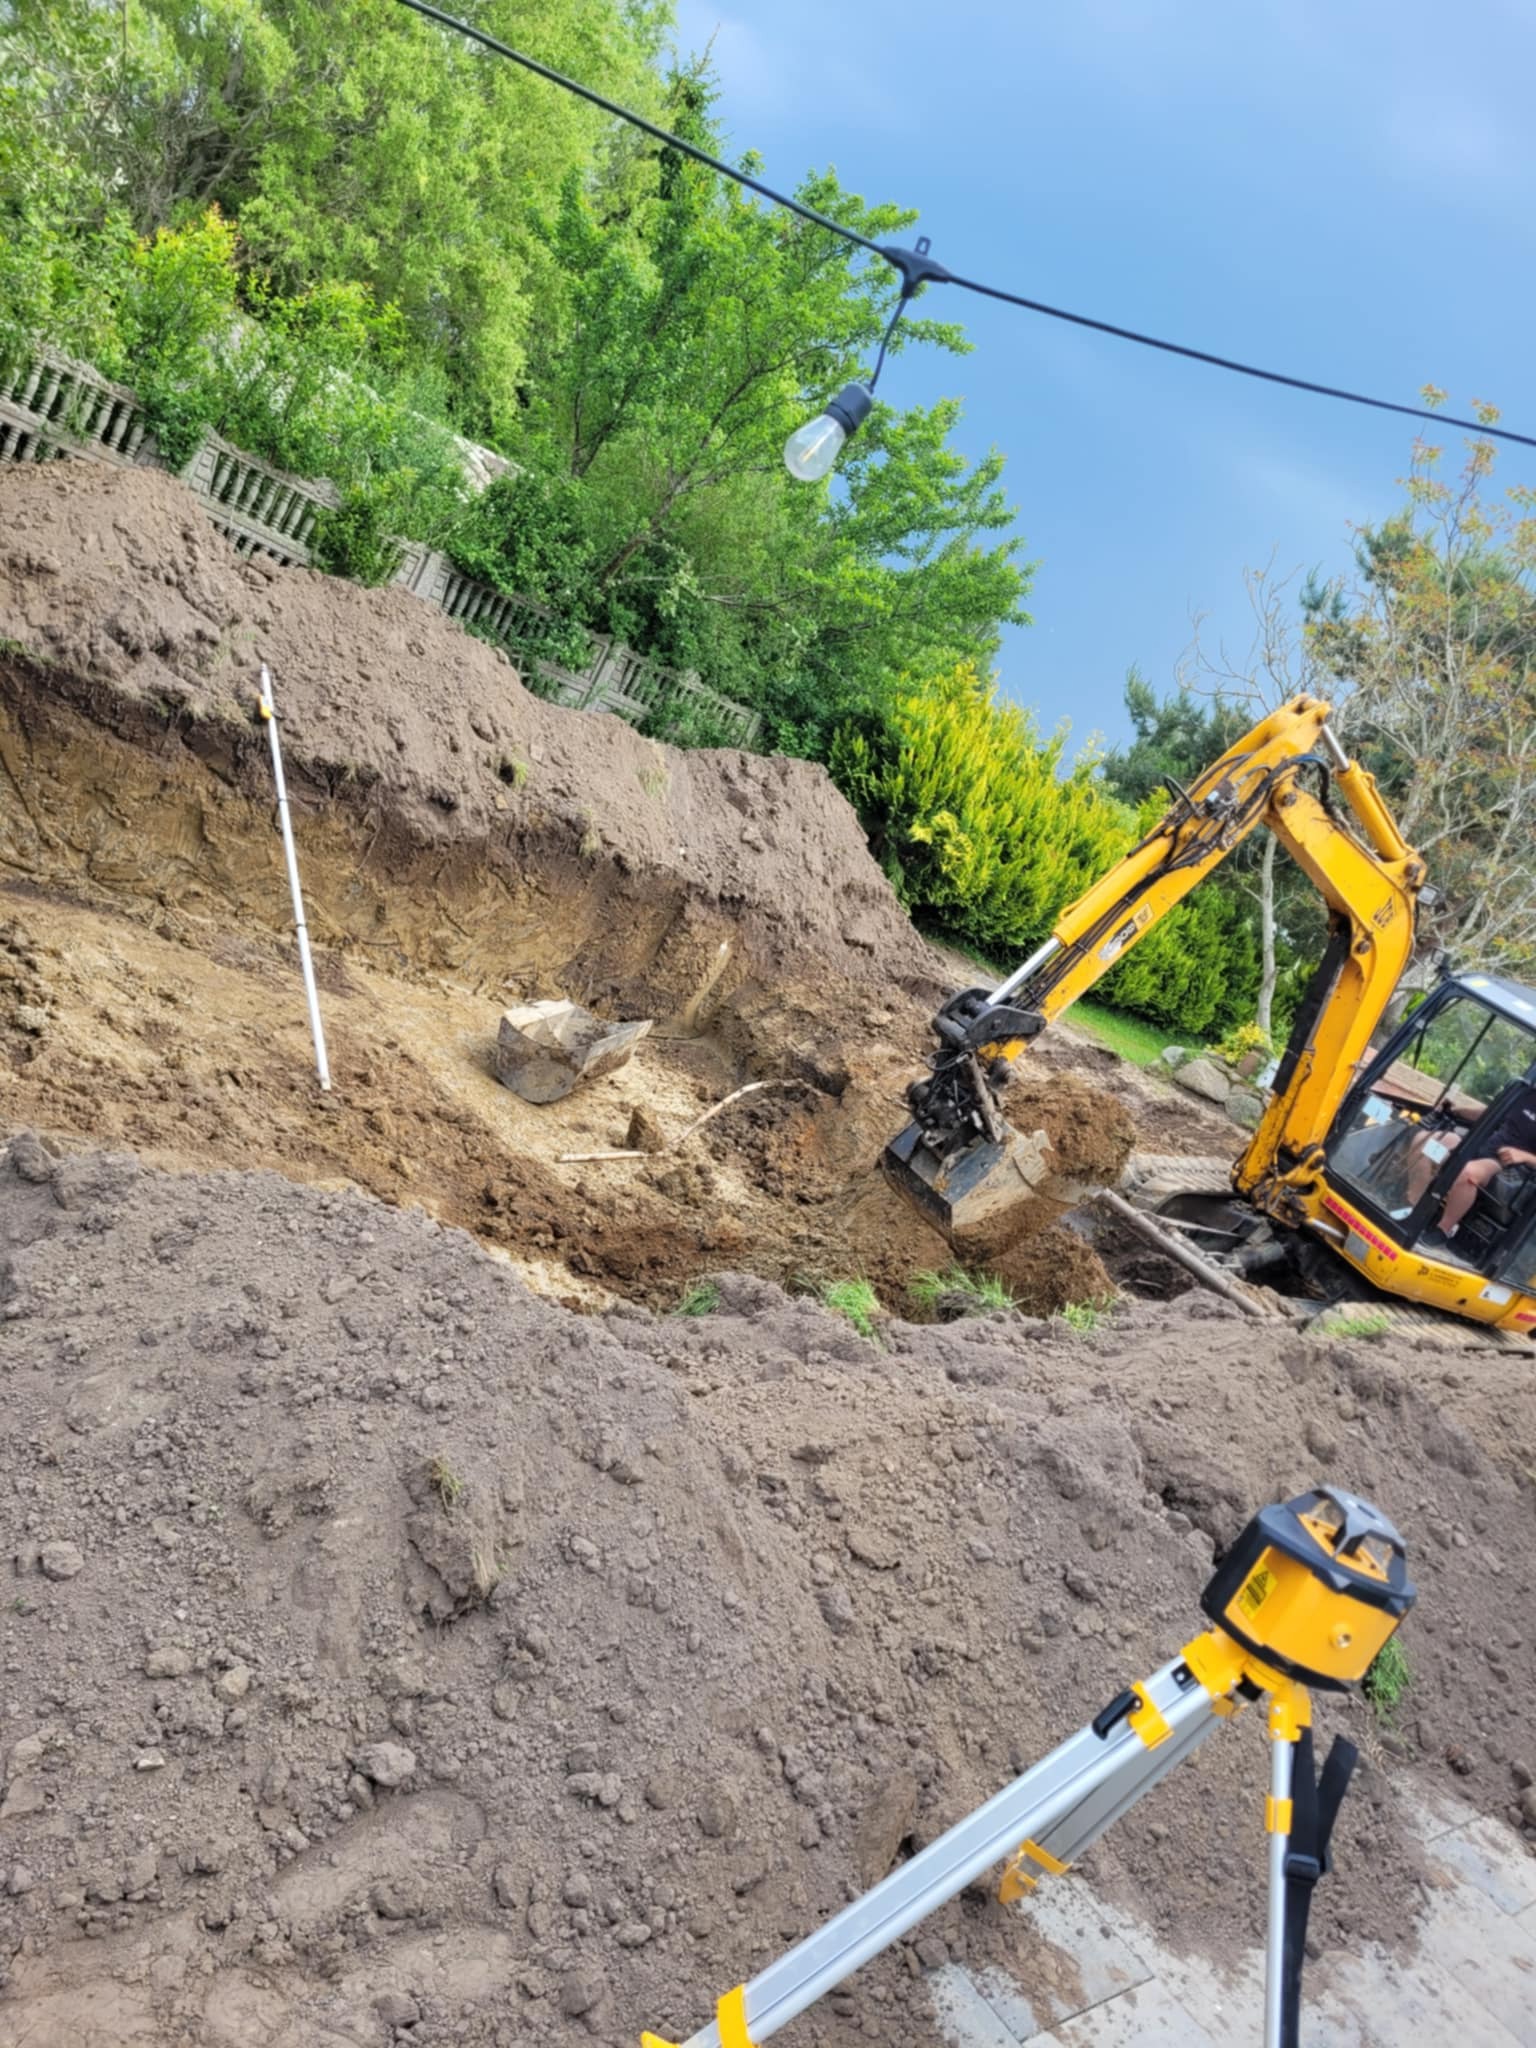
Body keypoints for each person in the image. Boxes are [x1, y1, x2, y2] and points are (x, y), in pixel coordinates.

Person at [1423, 1092, 1536, 1245]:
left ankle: (1444, 1229)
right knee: (1429, 1141)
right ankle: (1412, 1206)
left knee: (1468, 1173)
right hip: (1484, 1145)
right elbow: (1490, 1113)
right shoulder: (1524, 1093)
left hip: (1509, 1167)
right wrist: (1455, 1109)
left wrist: (1525, 1156)